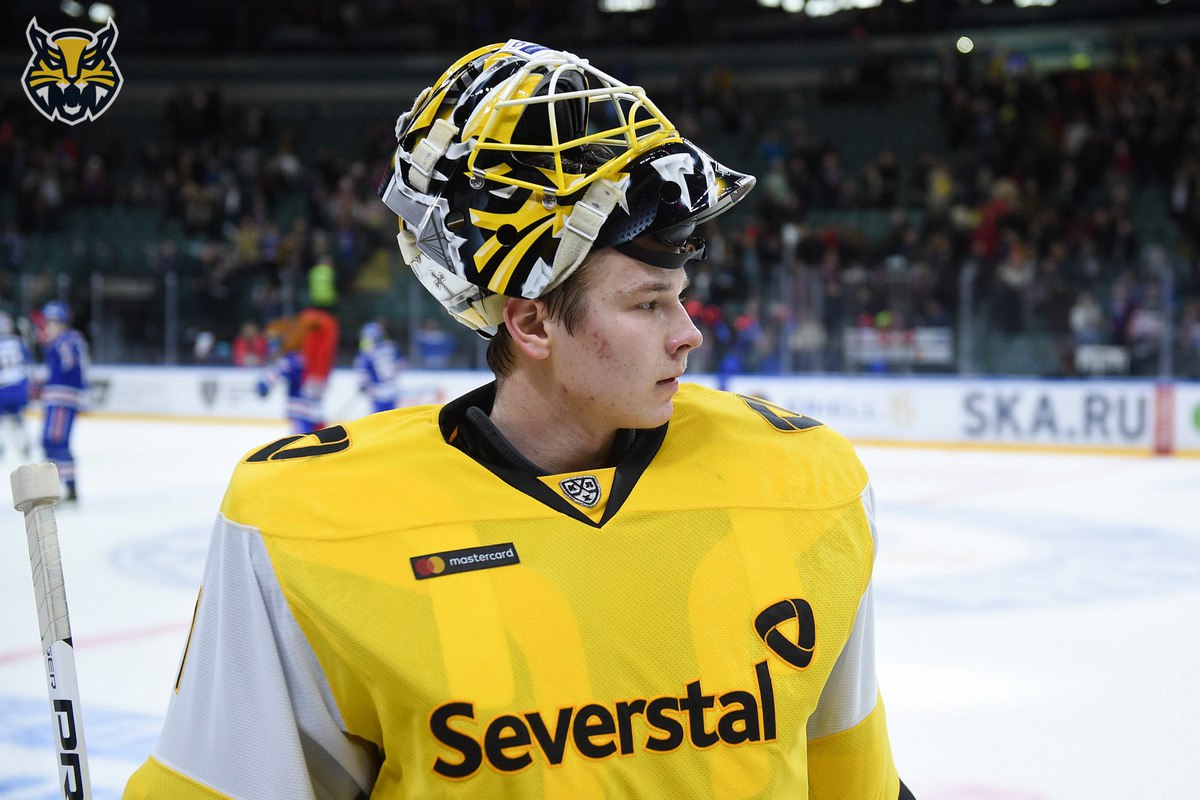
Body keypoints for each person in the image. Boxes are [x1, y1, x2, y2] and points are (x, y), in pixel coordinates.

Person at [125, 41, 913, 799]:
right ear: (532, 323)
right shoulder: (307, 526)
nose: (688, 334)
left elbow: (849, 781)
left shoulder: (803, 483)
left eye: (680, 297)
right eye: (648, 305)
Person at [257, 307, 339, 433]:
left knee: (302, 441)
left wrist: (264, 384)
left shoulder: (293, 359)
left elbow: (277, 371)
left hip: (300, 411)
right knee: (318, 439)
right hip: (316, 412)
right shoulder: (314, 361)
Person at [38, 300, 88, 502]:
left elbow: (70, 365)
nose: (47, 327)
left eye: (51, 322)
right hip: (59, 397)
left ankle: (64, 488)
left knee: (55, 441)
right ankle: (56, 486)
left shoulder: (64, 340)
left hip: (62, 398)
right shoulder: (68, 339)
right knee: (51, 442)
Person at [0, 311, 33, 460]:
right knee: (18, 417)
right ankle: (24, 444)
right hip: (19, 385)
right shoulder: (19, 342)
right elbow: (27, 362)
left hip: (2, 386)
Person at [354, 320, 405, 413]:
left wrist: (362, 385)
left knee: (378, 418)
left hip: (377, 391)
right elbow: (401, 365)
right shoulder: (391, 347)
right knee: (392, 417)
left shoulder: (367, 353)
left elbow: (363, 373)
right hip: (392, 389)